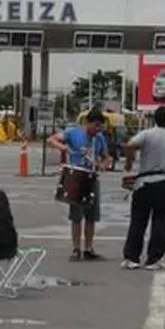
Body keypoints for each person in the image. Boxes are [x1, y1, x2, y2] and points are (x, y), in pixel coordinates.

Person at [120, 106, 165, 270]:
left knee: (138, 220)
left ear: (155, 119)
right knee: (160, 220)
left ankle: (132, 258)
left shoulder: (146, 134)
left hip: (144, 181)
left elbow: (130, 145)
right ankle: (154, 259)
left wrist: (129, 162)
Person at [47, 108, 111, 261]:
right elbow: (52, 139)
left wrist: (103, 164)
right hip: (76, 177)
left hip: (92, 177)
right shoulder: (73, 132)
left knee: (92, 215)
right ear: (87, 123)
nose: (97, 129)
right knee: (76, 216)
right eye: (95, 125)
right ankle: (76, 248)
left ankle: (88, 248)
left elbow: (106, 157)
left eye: (100, 126)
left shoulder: (99, 138)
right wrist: (63, 147)